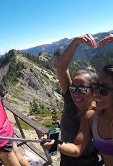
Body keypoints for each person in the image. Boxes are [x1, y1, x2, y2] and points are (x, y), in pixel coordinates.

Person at [44, 34, 113, 166]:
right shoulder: (91, 117)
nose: (97, 93)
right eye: (97, 88)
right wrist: (55, 144)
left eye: (104, 90)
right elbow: (77, 148)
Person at [44, 34, 102, 166]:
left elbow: (77, 149)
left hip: (85, 162)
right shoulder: (71, 99)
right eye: (73, 88)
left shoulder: (91, 113)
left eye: (82, 89)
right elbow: (62, 68)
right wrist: (75, 42)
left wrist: (55, 144)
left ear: (93, 91)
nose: (75, 93)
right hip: (66, 159)